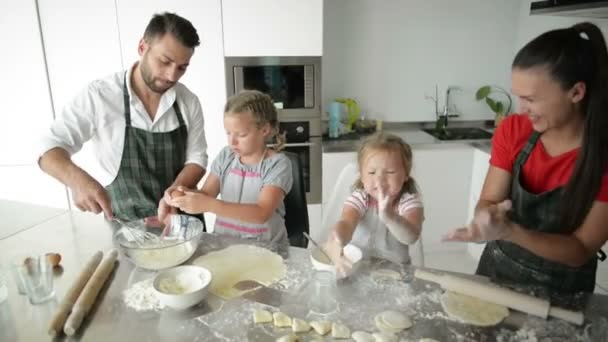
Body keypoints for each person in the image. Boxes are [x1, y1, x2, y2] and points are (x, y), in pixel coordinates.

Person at [444, 22, 608, 294]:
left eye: (531, 99)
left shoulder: (601, 157)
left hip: (564, 291)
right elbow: (489, 201)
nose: (522, 109)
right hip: (496, 272)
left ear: (576, 93)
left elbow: (581, 249)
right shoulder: (514, 130)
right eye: (518, 97)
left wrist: (510, 232)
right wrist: (486, 219)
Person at [37, 13, 208, 223]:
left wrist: (174, 193)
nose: (172, 75)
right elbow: (48, 147)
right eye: (165, 61)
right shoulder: (100, 96)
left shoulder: (188, 101)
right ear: (142, 47)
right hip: (127, 230)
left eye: (182, 67)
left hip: (181, 224)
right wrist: (77, 181)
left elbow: (197, 159)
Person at [167, 90, 293, 246]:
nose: (232, 142)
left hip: (267, 248)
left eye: (241, 134)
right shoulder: (226, 156)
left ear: (264, 130)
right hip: (225, 244)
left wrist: (209, 204)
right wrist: (181, 193)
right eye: (228, 133)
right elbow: (207, 194)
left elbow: (262, 212)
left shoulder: (278, 164)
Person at [324, 133, 424, 275]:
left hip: (395, 272)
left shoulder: (408, 202)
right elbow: (346, 223)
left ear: (406, 174)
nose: (380, 179)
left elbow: (411, 237)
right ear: (362, 176)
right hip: (358, 268)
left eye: (390, 172)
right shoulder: (360, 197)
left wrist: (389, 216)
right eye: (371, 172)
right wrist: (337, 239)